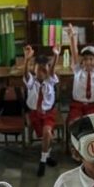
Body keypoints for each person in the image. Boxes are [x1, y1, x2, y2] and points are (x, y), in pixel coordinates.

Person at [23, 44, 60, 177]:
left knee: (47, 133)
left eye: (45, 69)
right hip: (34, 113)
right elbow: (26, 74)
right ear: (34, 69)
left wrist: (55, 55)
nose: (42, 72)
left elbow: (52, 70)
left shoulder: (50, 80)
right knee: (46, 136)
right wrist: (27, 59)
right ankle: (47, 155)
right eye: (39, 69)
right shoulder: (31, 81)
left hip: (48, 113)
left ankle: (43, 161)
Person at [66, 22, 94, 125]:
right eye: (85, 59)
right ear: (82, 61)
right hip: (77, 105)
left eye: (91, 59)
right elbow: (74, 52)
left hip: (92, 105)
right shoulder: (78, 70)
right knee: (74, 124)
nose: (88, 62)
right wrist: (72, 38)